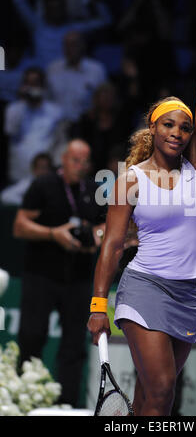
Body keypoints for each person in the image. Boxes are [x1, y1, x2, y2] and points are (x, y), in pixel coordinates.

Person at [87, 0, 196, 416]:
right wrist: (98, 305)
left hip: (188, 294)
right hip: (144, 287)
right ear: (153, 128)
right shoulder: (130, 178)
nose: (178, 132)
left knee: (151, 399)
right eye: (168, 124)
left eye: (185, 126)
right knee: (162, 391)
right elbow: (111, 244)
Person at [13, 139, 106, 407]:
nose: (80, 166)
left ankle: (67, 404)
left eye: (85, 161)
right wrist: (54, 234)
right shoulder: (43, 184)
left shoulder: (94, 189)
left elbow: (107, 227)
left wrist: (94, 238)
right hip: (41, 275)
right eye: (75, 159)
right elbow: (20, 226)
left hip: (78, 278)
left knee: (74, 346)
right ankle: (23, 400)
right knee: (31, 337)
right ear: (63, 159)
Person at [4, 66, 64, 183]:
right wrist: (23, 101)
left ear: (43, 86)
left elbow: (59, 142)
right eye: (28, 83)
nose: (32, 87)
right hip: (19, 169)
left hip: (44, 170)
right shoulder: (14, 109)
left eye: (35, 83)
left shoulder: (56, 111)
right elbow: (10, 130)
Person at [46, 31, 107, 123]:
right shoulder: (52, 69)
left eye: (74, 44)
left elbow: (103, 100)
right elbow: (46, 99)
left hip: (87, 123)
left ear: (83, 46)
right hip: (57, 123)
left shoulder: (96, 70)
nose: (70, 48)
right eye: (66, 45)